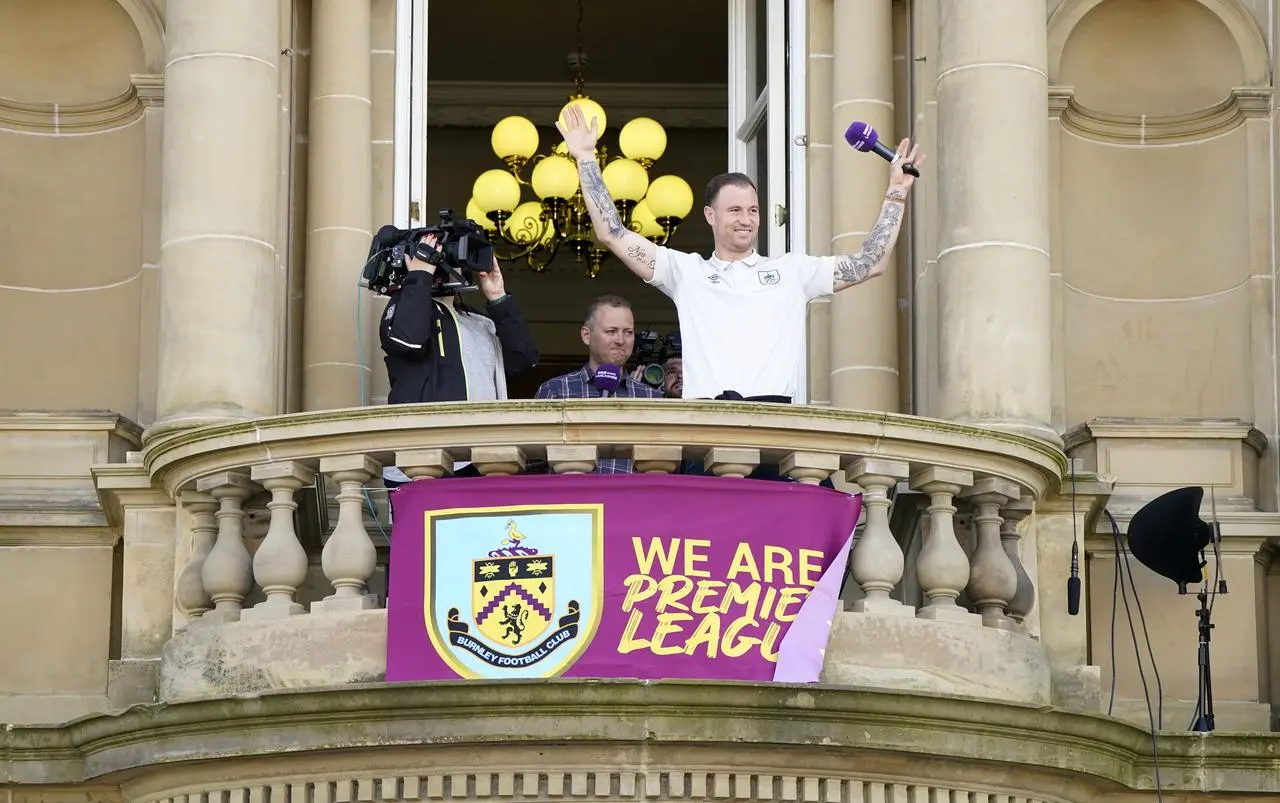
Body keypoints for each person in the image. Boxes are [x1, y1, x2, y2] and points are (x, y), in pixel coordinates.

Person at [556, 103, 923, 403]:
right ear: (710, 216)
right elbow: (613, 233)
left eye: (753, 210)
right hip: (707, 425)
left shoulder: (792, 272)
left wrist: (897, 193)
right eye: (735, 211)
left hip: (775, 425)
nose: (746, 220)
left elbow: (870, 263)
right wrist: (586, 159)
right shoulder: (686, 271)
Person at [380, 233, 539, 487]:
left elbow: (523, 360)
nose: (446, 263)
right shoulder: (402, 307)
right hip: (424, 461)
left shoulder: (479, 320)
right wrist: (419, 276)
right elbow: (409, 341)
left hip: (483, 458)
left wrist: (498, 298)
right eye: (437, 255)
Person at [535, 295, 662, 474]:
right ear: (586, 335)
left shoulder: (650, 397)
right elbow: (536, 464)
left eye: (628, 332)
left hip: (630, 499)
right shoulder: (556, 390)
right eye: (611, 331)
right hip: (575, 499)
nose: (621, 340)